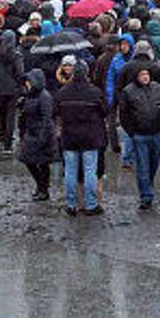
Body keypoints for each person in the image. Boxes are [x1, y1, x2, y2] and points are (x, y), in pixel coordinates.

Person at [54, 57, 108, 216]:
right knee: (90, 171)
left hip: (69, 137)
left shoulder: (62, 92)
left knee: (70, 172)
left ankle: (71, 204)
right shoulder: (95, 92)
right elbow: (105, 111)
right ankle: (91, 205)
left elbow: (55, 112)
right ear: (86, 74)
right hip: (90, 137)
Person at [120, 63, 160, 210]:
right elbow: (124, 114)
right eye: (142, 75)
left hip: (157, 133)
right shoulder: (128, 91)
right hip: (140, 135)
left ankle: (148, 185)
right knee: (143, 165)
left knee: (153, 164)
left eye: (147, 74)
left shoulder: (157, 87)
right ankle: (146, 196)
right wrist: (131, 132)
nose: (145, 77)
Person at [16, 70, 59, 201]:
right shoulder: (29, 95)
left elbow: (47, 118)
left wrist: (43, 137)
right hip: (31, 132)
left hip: (42, 133)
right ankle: (41, 187)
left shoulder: (44, 97)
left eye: (29, 81)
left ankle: (43, 189)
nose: (27, 84)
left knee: (42, 163)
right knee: (28, 160)